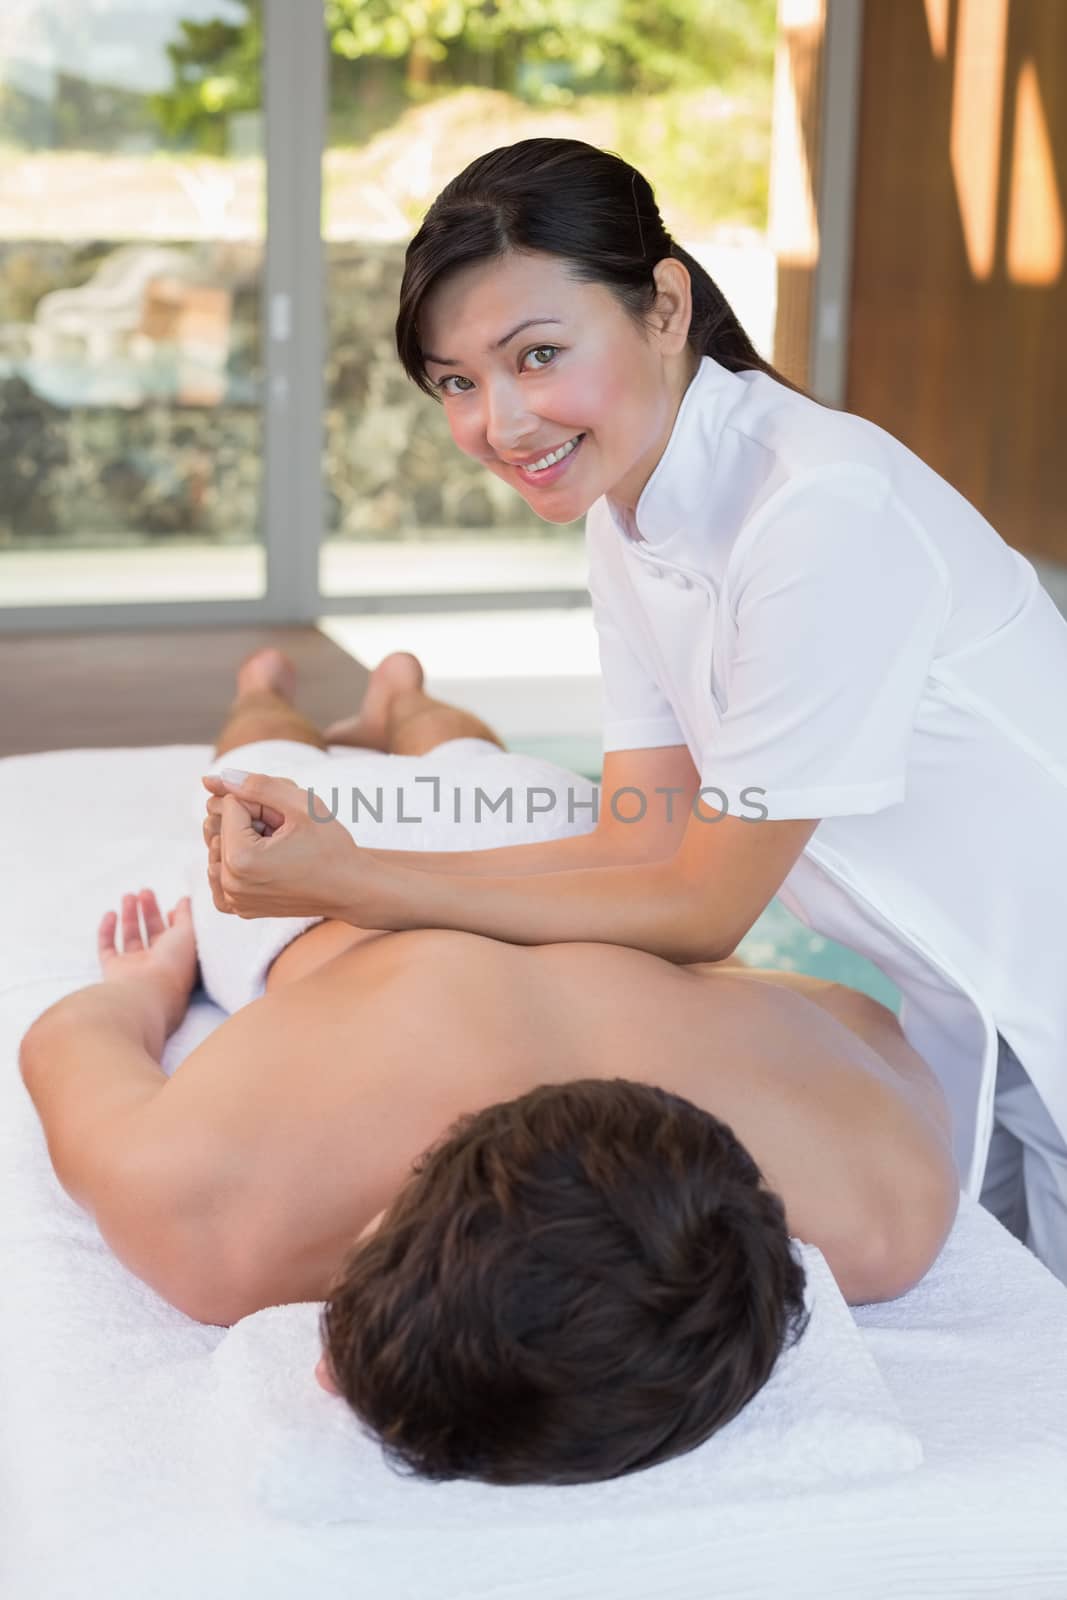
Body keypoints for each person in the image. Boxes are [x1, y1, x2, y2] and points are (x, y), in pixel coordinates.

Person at [204, 137, 1067, 1285]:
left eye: (538, 354)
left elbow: (700, 902)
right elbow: (640, 832)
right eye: (458, 382)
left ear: (664, 305)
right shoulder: (627, 517)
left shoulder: (819, 513)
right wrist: (359, 858)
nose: (500, 425)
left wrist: (355, 882)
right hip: (972, 1012)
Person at [19, 649, 958, 1487]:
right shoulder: (205, 1216)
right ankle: (303, 694)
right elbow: (67, 1042)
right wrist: (147, 990)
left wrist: (697, 993)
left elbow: (848, 1010)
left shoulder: (881, 1204)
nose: (319, 1371)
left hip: (578, 868)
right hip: (375, 886)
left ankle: (386, 699)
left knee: (457, 764)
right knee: (275, 759)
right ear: (408, 1181)